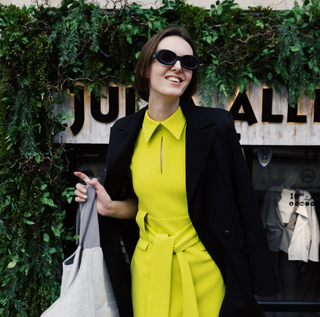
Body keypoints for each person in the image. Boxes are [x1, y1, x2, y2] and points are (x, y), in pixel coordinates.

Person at [74, 27, 279, 317]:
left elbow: (243, 202)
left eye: (188, 62)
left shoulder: (217, 126)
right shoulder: (124, 131)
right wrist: (109, 207)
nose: (178, 67)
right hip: (147, 270)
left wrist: (256, 277)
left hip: (206, 269)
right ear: (146, 67)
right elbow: (143, 205)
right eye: (167, 57)